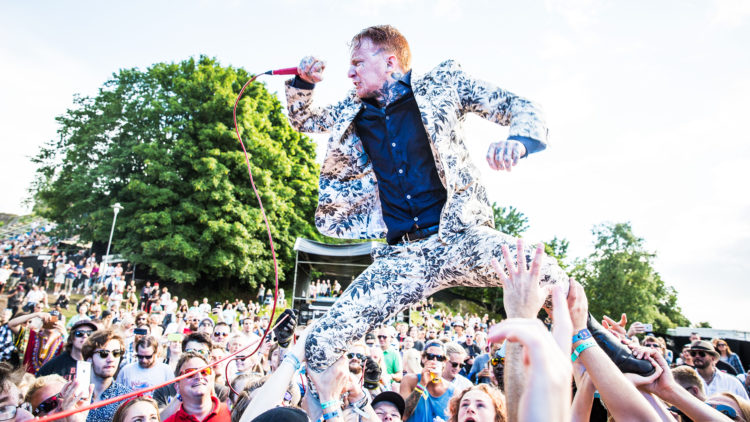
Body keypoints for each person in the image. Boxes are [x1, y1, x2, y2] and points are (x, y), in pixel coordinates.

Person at [286, 24, 648, 380]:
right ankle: (340, 408)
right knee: (320, 342)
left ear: (391, 62)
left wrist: (519, 142)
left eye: (358, 63)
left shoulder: (442, 85)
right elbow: (303, 119)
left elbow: (519, 106)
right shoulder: (352, 109)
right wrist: (304, 82)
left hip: (460, 237)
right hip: (403, 257)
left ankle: (596, 342)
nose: (349, 72)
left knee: (542, 269)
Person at [163, 352, 230, 422]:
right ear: (177, 387)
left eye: (204, 371)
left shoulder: (232, 414)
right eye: (190, 373)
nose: (199, 376)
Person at [82, 330, 132, 422]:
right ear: (89, 359)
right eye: (103, 353)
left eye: (116, 353)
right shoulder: (73, 394)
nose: (111, 359)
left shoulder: (128, 398)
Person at [399, 341, 455, 421]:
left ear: (444, 362)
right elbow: (403, 415)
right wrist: (422, 384)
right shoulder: (409, 380)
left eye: (439, 358)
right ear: (423, 359)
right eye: (431, 356)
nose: (435, 361)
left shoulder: (453, 391)